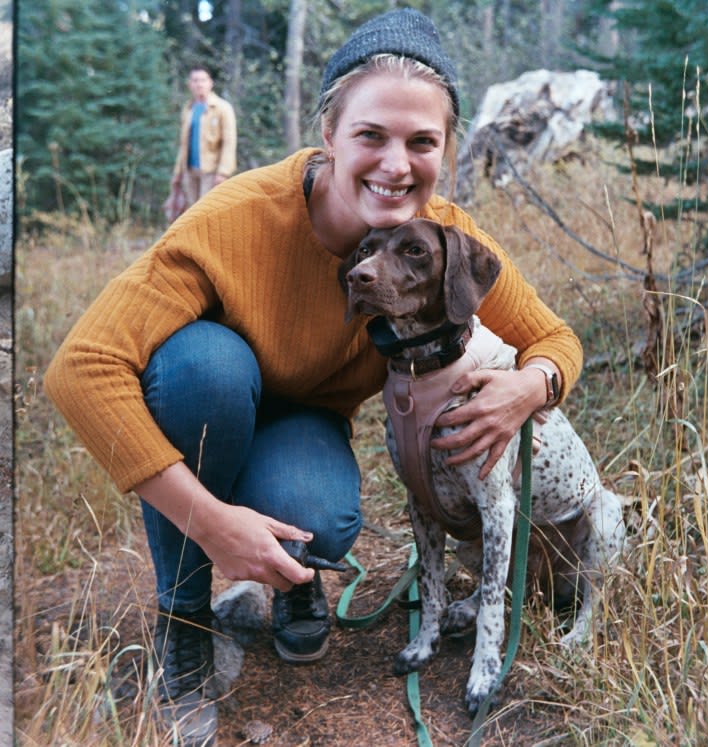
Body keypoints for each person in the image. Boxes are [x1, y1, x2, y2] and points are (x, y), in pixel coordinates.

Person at [44, 8, 583, 745]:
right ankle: (186, 613)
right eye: (371, 136)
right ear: (327, 134)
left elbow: (555, 338)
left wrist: (531, 385)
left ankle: (293, 581)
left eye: (422, 142)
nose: (397, 165)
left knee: (321, 515)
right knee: (206, 364)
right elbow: (79, 368)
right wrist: (207, 519)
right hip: (211, 399)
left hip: (302, 424)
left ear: (446, 150)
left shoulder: (444, 239)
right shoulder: (239, 218)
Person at [171, 65, 237, 208]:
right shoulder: (188, 108)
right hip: (190, 170)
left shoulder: (222, 108)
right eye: (195, 80)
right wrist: (178, 172)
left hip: (211, 171)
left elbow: (229, 142)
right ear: (189, 84)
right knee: (192, 212)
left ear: (210, 83)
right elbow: (183, 144)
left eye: (203, 80)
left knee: (208, 211)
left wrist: (223, 172)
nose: (199, 84)